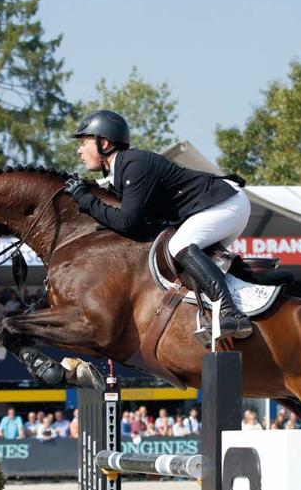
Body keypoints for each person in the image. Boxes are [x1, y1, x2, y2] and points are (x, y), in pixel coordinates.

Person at [64, 109, 253, 338]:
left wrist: (84, 198)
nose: (79, 150)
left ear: (103, 143)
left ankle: (231, 314)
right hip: (215, 207)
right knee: (182, 263)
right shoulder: (119, 173)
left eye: (84, 142)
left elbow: (127, 223)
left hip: (225, 203)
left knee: (179, 245)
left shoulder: (134, 163)